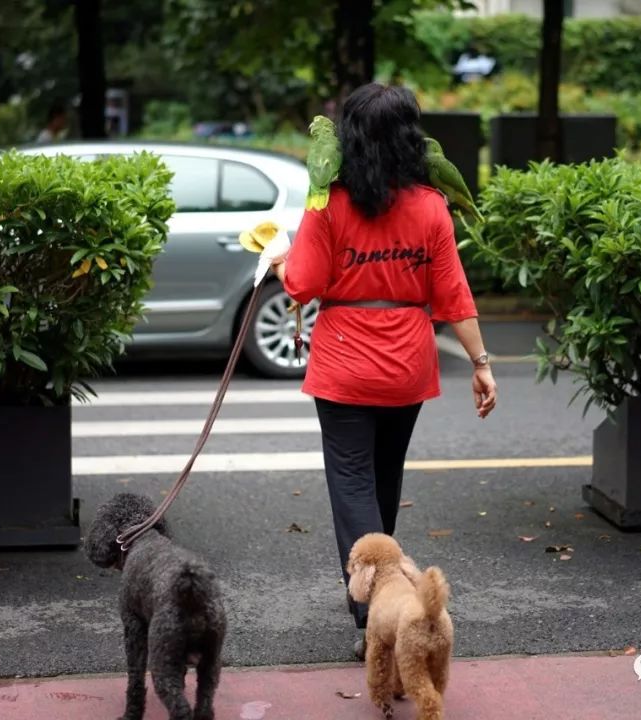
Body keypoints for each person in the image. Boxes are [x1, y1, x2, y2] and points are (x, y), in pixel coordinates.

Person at [268, 83, 497, 658]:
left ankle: (373, 613)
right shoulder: (430, 205)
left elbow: (304, 283)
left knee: (351, 487)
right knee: (384, 479)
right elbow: (453, 295)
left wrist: (280, 263)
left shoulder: (330, 204)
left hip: (344, 362)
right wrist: (481, 363)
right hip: (406, 364)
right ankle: (388, 588)